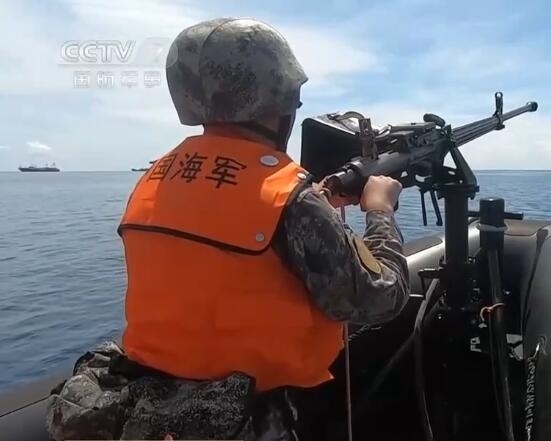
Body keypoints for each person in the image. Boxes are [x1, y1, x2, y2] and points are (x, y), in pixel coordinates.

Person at [45, 17, 410, 441]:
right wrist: (379, 211)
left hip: (148, 413)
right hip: (241, 421)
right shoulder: (291, 199)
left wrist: (316, 209)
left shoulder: (154, 178)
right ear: (281, 97)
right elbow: (379, 299)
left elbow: (222, 248)